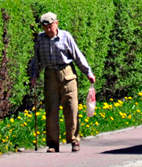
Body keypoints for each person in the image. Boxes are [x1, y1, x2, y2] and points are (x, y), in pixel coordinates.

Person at [29, 12, 96, 152]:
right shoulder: (40, 39)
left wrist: (88, 72)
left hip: (67, 73)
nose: (48, 30)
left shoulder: (66, 36)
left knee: (71, 107)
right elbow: (36, 59)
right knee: (51, 110)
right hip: (50, 75)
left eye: (50, 26)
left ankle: (74, 140)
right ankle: (53, 144)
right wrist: (34, 75)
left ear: (56, 24)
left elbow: (77, 56)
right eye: (45, 27)